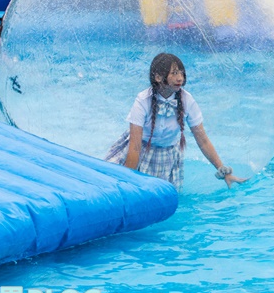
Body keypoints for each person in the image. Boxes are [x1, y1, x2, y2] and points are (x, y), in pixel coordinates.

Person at [104, 52, 244, 190]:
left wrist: (222, 170)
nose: (180, 78)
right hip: (139, 151)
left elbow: (203, 141)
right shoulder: (143, 100)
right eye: (175, 73)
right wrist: (128, 181)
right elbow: (135, 146)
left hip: (167, 157)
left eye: (181, 73)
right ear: (158, 77)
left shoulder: (187, 100)